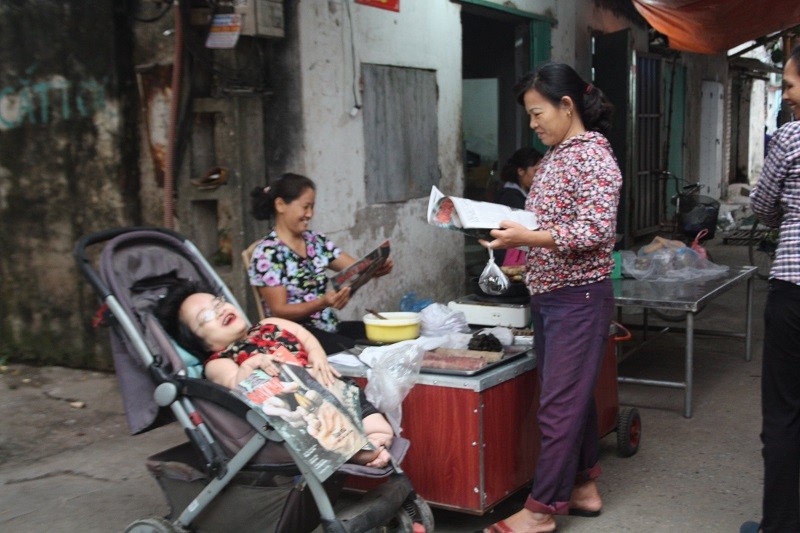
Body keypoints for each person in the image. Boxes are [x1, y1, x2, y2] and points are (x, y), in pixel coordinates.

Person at [480, 63, 621, 533]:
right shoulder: (560, 154)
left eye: (539, 113)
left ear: (567, 105)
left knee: (558, 404)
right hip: (553, 293)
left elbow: (594, 230)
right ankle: (582, 486)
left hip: (578, 297)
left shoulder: (594, 156)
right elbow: (550, 225)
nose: (534, 124)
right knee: (569, 397)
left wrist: (530, 237)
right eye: (530, 117)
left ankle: (541, 511)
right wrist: (518, 245)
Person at [155, 280, 394, 468]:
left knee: (354, 396)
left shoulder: (268, 324)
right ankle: (355, 453)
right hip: (298, 406)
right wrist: (249, 366)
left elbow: (305, 335)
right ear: (203, 344)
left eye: (218, 303)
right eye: (206, 317)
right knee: (312, 419)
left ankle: (377, 433)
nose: (219, 311)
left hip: (327, 382)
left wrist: (317, 355)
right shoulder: (219, 362)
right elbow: (235, 387)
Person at [741, 44, 800, 533]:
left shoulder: (791, 137)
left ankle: (778, 525)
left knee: (784, 411)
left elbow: (762, 204)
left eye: (792, 83)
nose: (787, 93)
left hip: (794, 291)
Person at [248, 173, 394, 355]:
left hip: (327, 326)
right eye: (305, 207)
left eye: (312, 207)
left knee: (385, 337)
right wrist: (321, 303)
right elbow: (280, 311)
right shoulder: (268, 253)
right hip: (293, 335)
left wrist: (376, 267)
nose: (309, 214)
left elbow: (356, 267)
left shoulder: (315, 241)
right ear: (280, 205)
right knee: (352, 349)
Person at [493, 147, 543, 265]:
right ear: (521, 171)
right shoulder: (511, 197)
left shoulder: (517, 193)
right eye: (536, 171)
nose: (540, 177)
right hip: (508, 259)